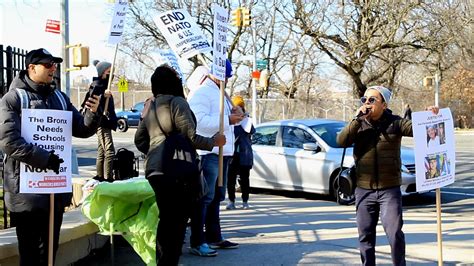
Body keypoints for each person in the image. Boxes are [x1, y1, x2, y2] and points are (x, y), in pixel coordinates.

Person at [0, 48, 100, 265]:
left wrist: (93, 113)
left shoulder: (60, 98)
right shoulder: (13, 99)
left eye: (54, 64)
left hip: (54, 189)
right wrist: (46, 159)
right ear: (31, 68)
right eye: (47, 65)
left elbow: (82, 129)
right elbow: (9, 142)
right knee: (30, 255)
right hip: (27, 194)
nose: (53, 69)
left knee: (49, 254)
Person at [336, 85, 439, 266]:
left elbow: (417, 129)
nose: (367, 103)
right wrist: (356, 120)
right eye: (364, 100)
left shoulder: (395, 122)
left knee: (394, 234)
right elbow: (341, 140)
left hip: (389, 190)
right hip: (363, 190)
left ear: (384, 104)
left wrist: (430, 117)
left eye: (372, 100)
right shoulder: (358, 124)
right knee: (365, 236)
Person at [134, 65, 226, 265]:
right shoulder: (178, 103)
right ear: (174, 83)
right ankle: (169, 261)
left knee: (166, 220)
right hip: (178, 172)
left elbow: (140, 141)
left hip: (155, 171)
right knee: (177, 223)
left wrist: (156, 150)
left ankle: (163, 261)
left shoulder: (151, 106)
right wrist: (214, 141)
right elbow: (191, 137)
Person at [187, 59, 244, 256]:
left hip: (224, 152)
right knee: (205, 197)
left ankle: (214, 236)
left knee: (217, 197)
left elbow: (227, 123)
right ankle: (198, 240)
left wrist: (236, 116)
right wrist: (228, 119)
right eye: (226, 75)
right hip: (209, 153)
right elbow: (198, 122)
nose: (227, 79)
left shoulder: (221, 94)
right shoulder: (202, 92)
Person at [81, 60, 118, 182]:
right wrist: (103, 96)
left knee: (102, 151)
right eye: (109, 72)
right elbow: (90, 102)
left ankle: (100, 176)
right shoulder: (97, 86)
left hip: (105, 122)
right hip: (101, 123)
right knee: (109, 151)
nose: (111, 74)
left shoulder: (103, 86)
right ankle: (108, 178)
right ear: (103, 73)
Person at [226, 95, 255, 210]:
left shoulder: (246, 121)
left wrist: (244, 119)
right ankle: (231, 201)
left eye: (240, 108)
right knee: (231, 179)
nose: (237, 111)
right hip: (232, 155)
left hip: (244, 155)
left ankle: (245, 201)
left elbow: (252, 131)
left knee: (245, 179)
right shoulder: (231, 121)